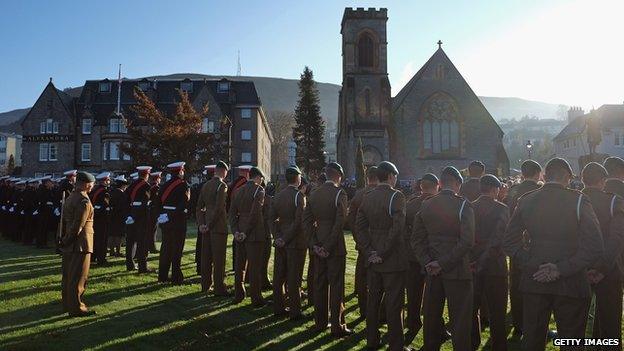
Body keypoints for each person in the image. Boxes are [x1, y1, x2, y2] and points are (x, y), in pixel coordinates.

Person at [503, 158, 604, 351]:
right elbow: (595, 245)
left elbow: (509, 242)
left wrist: (533, 264)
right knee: (571, 341)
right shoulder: (578, 200)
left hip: (535, 279)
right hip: (571, 281)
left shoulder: (526, 200)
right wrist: (560, 269)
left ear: (545, 176)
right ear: (567, 177)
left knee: (532, 340)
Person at [411, 166, 475, 351]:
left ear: (440, 183)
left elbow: (416, 239)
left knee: (431, 318)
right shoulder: (463, 204)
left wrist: (428, 262)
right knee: (460, 321)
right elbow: (467, 241)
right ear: (457, 184)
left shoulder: (426, 204)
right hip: (457, 270)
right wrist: (442, 263)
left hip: (432, 269)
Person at [356, 161, 408, 350]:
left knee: (373, 302)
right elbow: (397, 229)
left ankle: (372, 340)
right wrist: (381, 252)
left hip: (373, 258)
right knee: (394, 305)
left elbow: (359, 226)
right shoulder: (397, 196)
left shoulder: (368, 197)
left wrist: (370, 251)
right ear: (391, 176)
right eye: (396, 175)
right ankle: (396, 345)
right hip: (391, 258)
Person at [304, 162, 352, 337]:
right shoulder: (340, 193)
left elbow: (306, 221)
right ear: (338, 175)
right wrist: (327, 246)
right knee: (337, 286)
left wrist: (315, 244)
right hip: (335, 246)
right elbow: (340, 223)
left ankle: (320, 322)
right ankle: (337, 325)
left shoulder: (314, 194)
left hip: (318, 243)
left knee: (320, 284)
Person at [581, 162, 624, 347]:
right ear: (603, 181)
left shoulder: (574, 199)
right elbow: (616, 239)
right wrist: (602, 268)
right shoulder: (614, 201)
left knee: (575, 323)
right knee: (610, 321)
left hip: (578, 267)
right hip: (609, 267)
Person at [404, 173, 446, 346]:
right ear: (437, 186)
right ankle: (438, 328)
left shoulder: (411, 203)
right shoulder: (440, 205)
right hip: (433, 256)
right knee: (434, 297)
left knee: (414, 295)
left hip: (413, 254)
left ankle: (413, 323)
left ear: (421, 186)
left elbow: (404, 230)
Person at [470, 175, 509, 351]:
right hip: (495, 267)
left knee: (472, 309)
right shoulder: (502, 209)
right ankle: (498, 345)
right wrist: (483, 261)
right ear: (494, 189)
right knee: (497, 311)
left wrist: (474, 260)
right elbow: (498, 239)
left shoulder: (470, 207)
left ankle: (472, 342)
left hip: (472, 265)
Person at [505, 159, 542, 336]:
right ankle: (533, 324)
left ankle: (518, 322)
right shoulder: (540, 191)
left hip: (515, 244)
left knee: (516, 284)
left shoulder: (513, 190)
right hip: (535, 244)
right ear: (537, 173)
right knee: (536, 285)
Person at [269, 166, 307, 318]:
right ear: (297, 178)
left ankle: (278, 307)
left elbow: (271, 218)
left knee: (279, 276)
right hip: (295, 242)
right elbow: (299, 222)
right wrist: (285, 239)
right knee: (294, 277)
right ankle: (295, 310)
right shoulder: (299, 196)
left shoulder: (278, 195)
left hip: (280, 240)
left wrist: (277, 237)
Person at [229, 166, 267, 306]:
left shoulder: (238, 191)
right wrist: (245, 232)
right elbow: (255, 214)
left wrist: (236, 231)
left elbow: (232, 214)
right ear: (257, 177)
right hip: (254, 233)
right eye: (261, 178)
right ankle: (256, 298)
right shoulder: (259, 190)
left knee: (240, 266)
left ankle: (239, 293)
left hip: (239, 231)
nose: (262, 180)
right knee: (255, 267)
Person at [60, 171, 96, 317]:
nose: (93, 187)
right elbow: (78, 226)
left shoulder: (71, 197)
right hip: (80, 243)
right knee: (79, 277)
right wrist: (68, 239)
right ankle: (76, 308)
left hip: (70, 242)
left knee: (68, 276)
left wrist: (64, 240)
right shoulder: (83, 200)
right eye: (92, 184)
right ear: (87, 184)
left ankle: (68, 304)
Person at [348, 166, 378, 317]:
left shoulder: (359, 194)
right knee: (378, 278)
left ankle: (364, 308)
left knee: (362, 277)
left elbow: (351, 219)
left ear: (367, 177)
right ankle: (376, 310)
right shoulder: (382, 194)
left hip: (363, 242)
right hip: (379, 244)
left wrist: (358, 238)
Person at [196, 161, 230, 295]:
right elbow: (220, 209)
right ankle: (219, 288)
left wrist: (201, 224)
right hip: (217, 227)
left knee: (206, 258)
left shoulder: (206, 185)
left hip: (205, 226)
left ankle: (205, 285)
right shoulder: (222, 186)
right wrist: (209, 225)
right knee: (219, 259)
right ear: (223, 171)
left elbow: (198, 207)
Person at [157, 162, 190, 284]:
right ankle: (176, 277)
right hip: (178, 220)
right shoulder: (183, 185)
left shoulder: (164, 185)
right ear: (180, 171)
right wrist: (172, 215)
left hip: (165, 219)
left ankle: (162, 276)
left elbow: (158, 202)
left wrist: (163, 215)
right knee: (177, 249)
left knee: (165, 248)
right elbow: (184, 203)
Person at [125, 166, 153, 272]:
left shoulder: (131, 185)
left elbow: (126, 201)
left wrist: (129, 215)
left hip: (130, 216)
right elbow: (145, 202)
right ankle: (142, 266)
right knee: (142, 242)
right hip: (141, 217)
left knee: (130, 241)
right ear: (147, 174)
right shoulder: (146, 185)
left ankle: (129, 264)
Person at [90, 172, 111, 265]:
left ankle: (93, 256)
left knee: (95, 238)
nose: (109, 181)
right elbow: (105, 205)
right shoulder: (104, 192)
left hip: (95, 217)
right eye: (108, 180)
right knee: (102, 239)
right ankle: (101, 258)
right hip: (102, 218)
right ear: (105, 181)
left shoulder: (95, 190)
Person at [108, 175, 129, 257]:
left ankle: (112, 250)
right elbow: (123, 206)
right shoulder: (121, 194)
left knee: (112, 234)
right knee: (118, 235)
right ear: (123, 185)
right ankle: (118, 251)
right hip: (119, 216)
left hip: (112, 215)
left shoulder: (112, 192)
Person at [148, 171, 162, 254]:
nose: (160, 179)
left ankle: (150, 246)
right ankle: (152, 247)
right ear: (157, 179)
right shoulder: (156, 188)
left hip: (151, 210)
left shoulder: (150, 187)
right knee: (153, 230)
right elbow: (157, 200)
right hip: (154, 211)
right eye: (159, 178)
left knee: (151, 230)